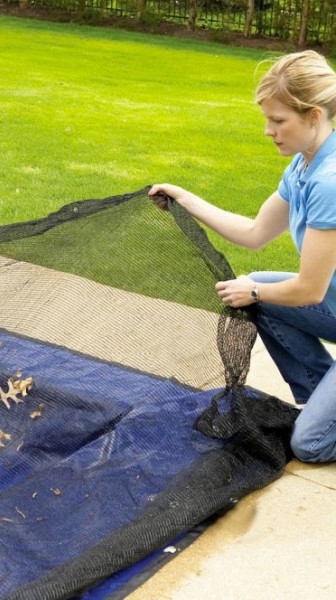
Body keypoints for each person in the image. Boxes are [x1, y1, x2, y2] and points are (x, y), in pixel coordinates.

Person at [149, 50, 336, 463]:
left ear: (314, 116)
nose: (269, 131)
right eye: (267, 119)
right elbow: (254, 233)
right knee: (252, 289)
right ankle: (325, 392)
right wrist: (184, 198)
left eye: (279, 121)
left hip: (324, 296)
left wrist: (254, 290)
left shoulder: (330, 181)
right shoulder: (304, 167)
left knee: (311, 445)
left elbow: (309, 289)